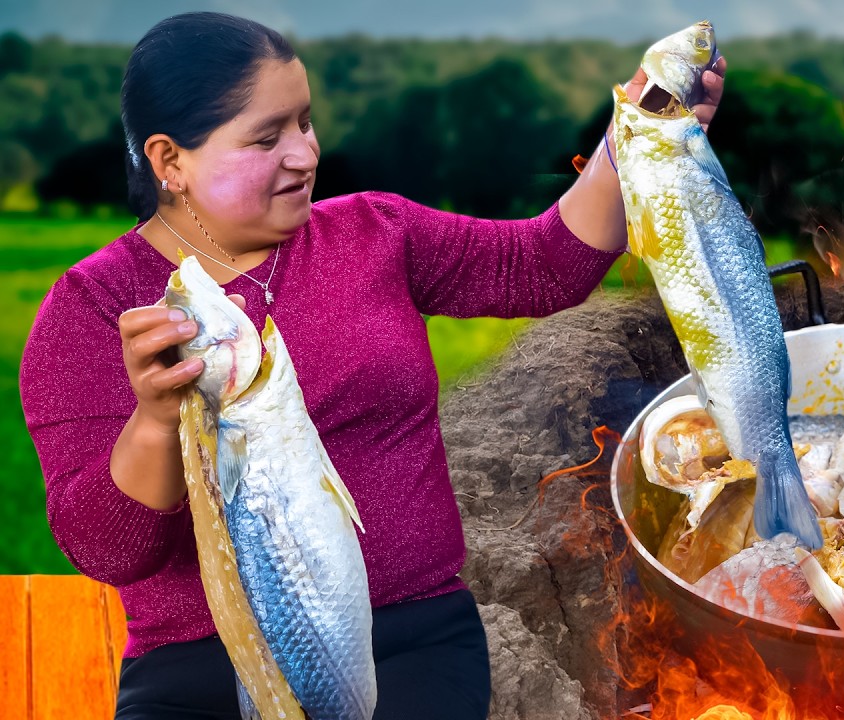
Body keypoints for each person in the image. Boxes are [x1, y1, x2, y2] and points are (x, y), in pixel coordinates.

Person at [18, 11, 725, 720]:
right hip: (195, 666)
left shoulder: (373, 232)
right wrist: (156, 418)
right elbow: (108, 551)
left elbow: (542, 267)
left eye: (304, 122)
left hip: (412, 641)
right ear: (170, 161)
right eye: (267, 138)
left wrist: (634, 136)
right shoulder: (89, 310)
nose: (306, 153)